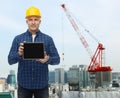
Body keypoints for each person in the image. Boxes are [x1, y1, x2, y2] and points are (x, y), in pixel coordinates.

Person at [8, 6, 60, 98]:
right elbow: (10, 60)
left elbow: (57, 60)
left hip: (42, 85)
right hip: (24, 85)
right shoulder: (18, 39)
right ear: (26, 21)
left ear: (40, 21)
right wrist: (19, 54)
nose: (33, 22)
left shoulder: (48, 39)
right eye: (30, 19)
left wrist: (47, 59)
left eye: (36, 19)